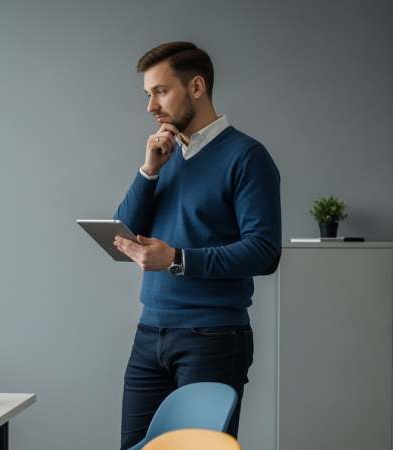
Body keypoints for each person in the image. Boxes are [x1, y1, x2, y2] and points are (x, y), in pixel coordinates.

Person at [111, 42, 281, 449]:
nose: (151, 106)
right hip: (150, 331)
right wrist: (149, 171)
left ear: (197, 87)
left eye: (161, 91)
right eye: (148, 94)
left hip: (213, 335)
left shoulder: (247, 157)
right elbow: (125, 232)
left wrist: (177, 259)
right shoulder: (165, 156)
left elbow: (264, 251)